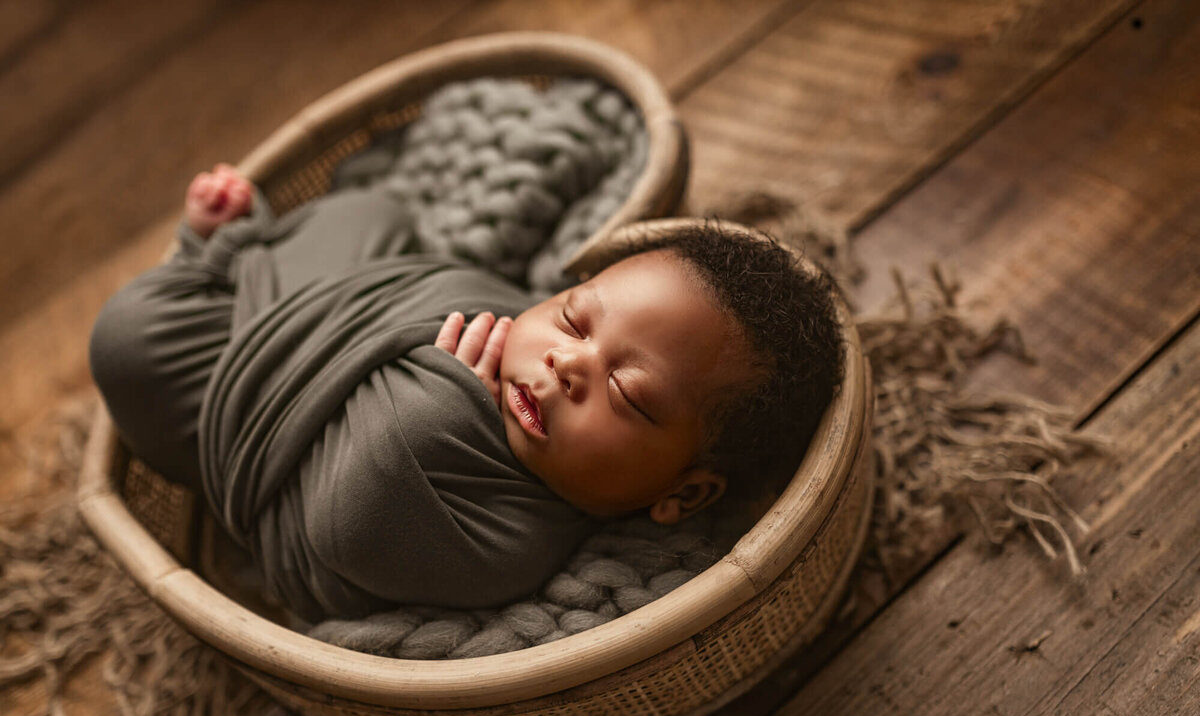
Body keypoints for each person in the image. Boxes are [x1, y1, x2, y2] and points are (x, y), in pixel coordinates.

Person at [90, 163, 843, 622]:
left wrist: (442, 401)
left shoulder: (510, 543)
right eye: (575, 317)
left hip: (253, 430)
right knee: (369, 215)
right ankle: (235, 253)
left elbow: (349, 520)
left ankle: (219, 263)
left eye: (626, 391)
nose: (568, 364)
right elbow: (433, 286)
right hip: (325, 314)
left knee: (129, 340)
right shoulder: (512, 322)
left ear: (684, 493)